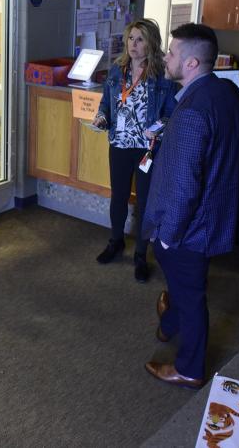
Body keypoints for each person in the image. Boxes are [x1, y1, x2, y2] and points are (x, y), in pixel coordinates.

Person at [141, 23, 239, 389]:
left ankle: (189, 368)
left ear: (192, 62)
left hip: (188, 226)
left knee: (189, 293)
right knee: (185, 284)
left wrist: (168, 235)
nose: (165, 57)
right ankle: (169, 324)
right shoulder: (225, 92)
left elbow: (184, 187)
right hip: (215, 214)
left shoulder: (190, 114)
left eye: (172, 53)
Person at [92, 18, 177, 282]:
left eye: (140, 39)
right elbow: (106, 103)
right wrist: (101, 117)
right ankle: (115, 241)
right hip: (119, 144)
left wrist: (160, 127)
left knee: (144, 202)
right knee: (118, 196)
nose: (133, 44)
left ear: (151, 42)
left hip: (147, 148)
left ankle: (141, 254)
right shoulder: (118, 70)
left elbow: (171, 112)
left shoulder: (163, 74)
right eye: (130, 38)